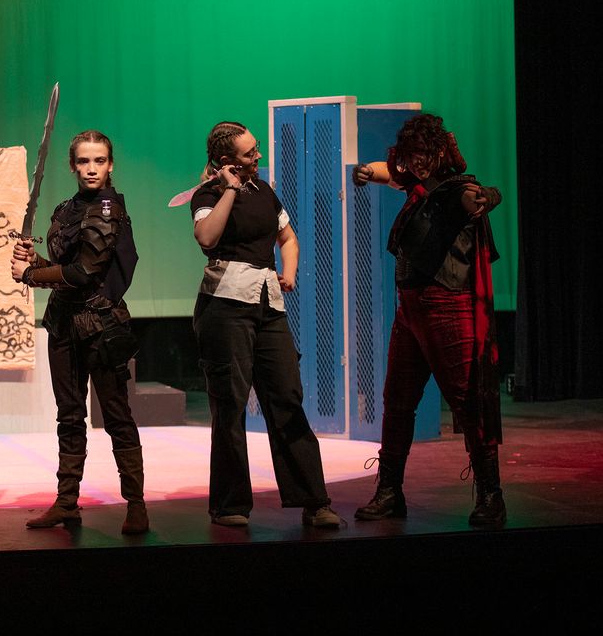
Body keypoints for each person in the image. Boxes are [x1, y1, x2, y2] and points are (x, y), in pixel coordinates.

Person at [352, 113, 505, 526]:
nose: (414, 162)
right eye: (409, 155)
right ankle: (389, 492)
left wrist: (485, 198)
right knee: (397, 401)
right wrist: (364, 171)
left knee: (467, 401)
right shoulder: (416, 186)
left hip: (446, 307)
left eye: (422, 153)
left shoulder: (455, 190)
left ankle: (491, 495)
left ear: (438, 153)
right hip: (410, 311)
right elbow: (389, 172)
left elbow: (479, 196)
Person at [190, 121, 340, 528]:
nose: (258, 156)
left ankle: (314, 500)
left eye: (256, 149)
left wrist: (288, 272)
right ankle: (230, 505)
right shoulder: (208, 194)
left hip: (267, 304)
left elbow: (287, 237)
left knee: (287, 396)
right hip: (225, 306)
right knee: (230, 404)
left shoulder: (264, 191)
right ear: (227, 161)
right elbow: (206, 237)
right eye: (249, 152)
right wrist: (229, 190)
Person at [11, 130, 148, 535]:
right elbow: (64, 267)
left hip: (101, 325)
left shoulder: (108, 209)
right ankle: (67, 501)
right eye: (84, 161)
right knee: (69, 416)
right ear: (72, 165)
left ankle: (136, 503)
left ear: (110, 165)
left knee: (117, 415)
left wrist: (30, 274)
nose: (91, 169)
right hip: (63, 323)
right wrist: (33, 260)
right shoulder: (65, 209)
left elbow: (86, 271)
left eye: (99, 161)